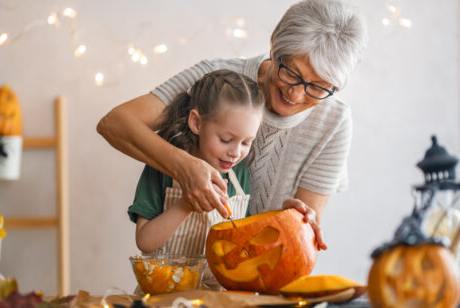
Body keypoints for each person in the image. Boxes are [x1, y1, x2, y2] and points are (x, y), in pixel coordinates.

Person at [98, 0, 368, 250]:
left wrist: (295, 219)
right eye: (292, 73)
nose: (296, 95)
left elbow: (300, 244)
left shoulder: (334, 123)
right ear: (275, 48)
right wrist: (184, 167)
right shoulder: (216, 81)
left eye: (318, 87)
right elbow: (115, 124)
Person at [127, 69, 264, 256]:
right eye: (225, 139)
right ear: (197, 123)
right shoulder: (162, 167)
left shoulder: (240, 174)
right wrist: (187, 204)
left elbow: (244, 243)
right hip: (166, 284)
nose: (235, 153)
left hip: (220, 286)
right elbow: (145, 242)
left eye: (246, 142)